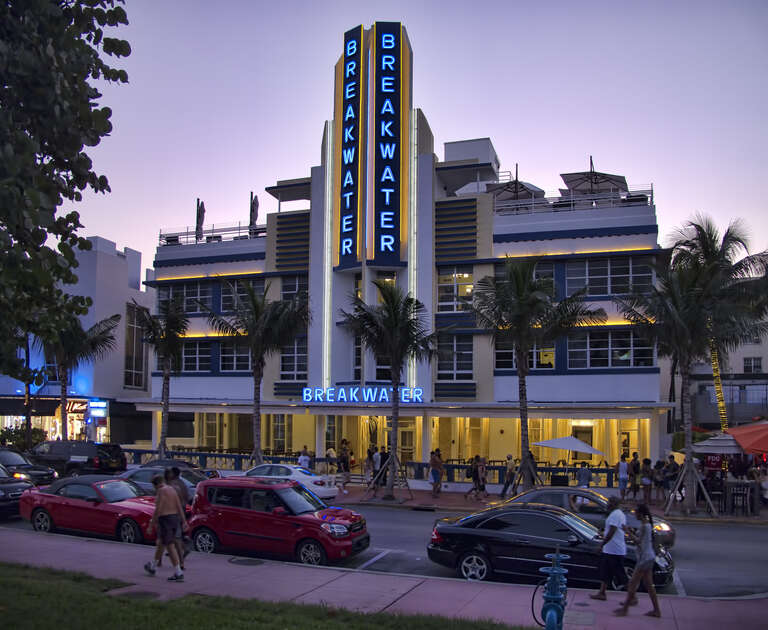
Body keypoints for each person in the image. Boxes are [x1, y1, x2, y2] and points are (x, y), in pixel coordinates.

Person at [614, 503, 662, 618]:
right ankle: (656, 610)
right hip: (648, 557)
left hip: (644, 559)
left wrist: (627, 531)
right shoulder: (646, 525)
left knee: (632, 583)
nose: (634, 514)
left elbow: (637, 541)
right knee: (649, 585)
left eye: (636, 512)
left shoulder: (645, 526)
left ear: (640, 514)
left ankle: (625, 609)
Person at [144, 474, 188, 582]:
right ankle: (153, 566)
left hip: (165, 520)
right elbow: (179, 506)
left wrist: (151, 525)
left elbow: (158, 509)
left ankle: (178, 573)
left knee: (170, 546)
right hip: (174, 518)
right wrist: (184, 521)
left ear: (156, 485)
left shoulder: (161, 491)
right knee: (161, 543)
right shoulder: (172, 490)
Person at [590, 495, 627, 600]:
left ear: (614, 504)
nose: (607, 504)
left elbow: (612, 531)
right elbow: (613, 531)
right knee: (606, 572)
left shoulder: (615, 515)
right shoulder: (618, 514)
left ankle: (632, 596)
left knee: (620, 575)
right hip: (611, 550)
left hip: (614, 551)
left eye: (609, 502)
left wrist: (601, 545)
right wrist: (603, 534)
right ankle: (602, 593)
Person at [164, 467, 190, 569]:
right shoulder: (182, 483)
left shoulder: (171, 486)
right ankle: (179, 559)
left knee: (169, 538)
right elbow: (187, 497)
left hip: (171, 514)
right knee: (176, 537)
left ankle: (158, 562)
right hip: (180, 510)